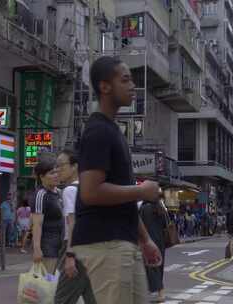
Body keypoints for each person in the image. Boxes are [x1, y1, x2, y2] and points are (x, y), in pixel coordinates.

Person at [71, 56, 162, 304]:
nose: (132, 85)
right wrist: (141, 191)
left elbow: (122, 199)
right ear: (105, 86)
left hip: (122, 241)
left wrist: (145, 239)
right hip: (105, 243)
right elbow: (91, 192)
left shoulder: (113, 130)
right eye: (125, 80)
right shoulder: (98, 131)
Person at [55, 148, 97, 304]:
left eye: (61, 165)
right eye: (56, 166)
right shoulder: (89, 189)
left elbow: (73, 224)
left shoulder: (70, 190)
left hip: (76, 249)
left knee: (62, 300)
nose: (57, 170)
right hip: (93, 250)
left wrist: (70, 256)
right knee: (92, 298)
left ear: (75, 167)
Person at [31, 156, 64, 274]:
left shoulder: (59, 192)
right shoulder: (41, 195)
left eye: (57, 172)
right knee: (48, 283)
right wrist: (37, 249)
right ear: (42, 177)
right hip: (48, 246)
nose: (56, 175)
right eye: (51, 173)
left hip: (62, 246)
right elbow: (37, 224)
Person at [140, 199, 168, 302]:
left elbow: (139, 225)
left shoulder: (144, 209)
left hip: (149, 240)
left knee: (151, 267)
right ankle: (156, 291)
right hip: (160, 240)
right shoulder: (161, 208)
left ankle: (161, 292)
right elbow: (166, 225)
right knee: (159, 266)